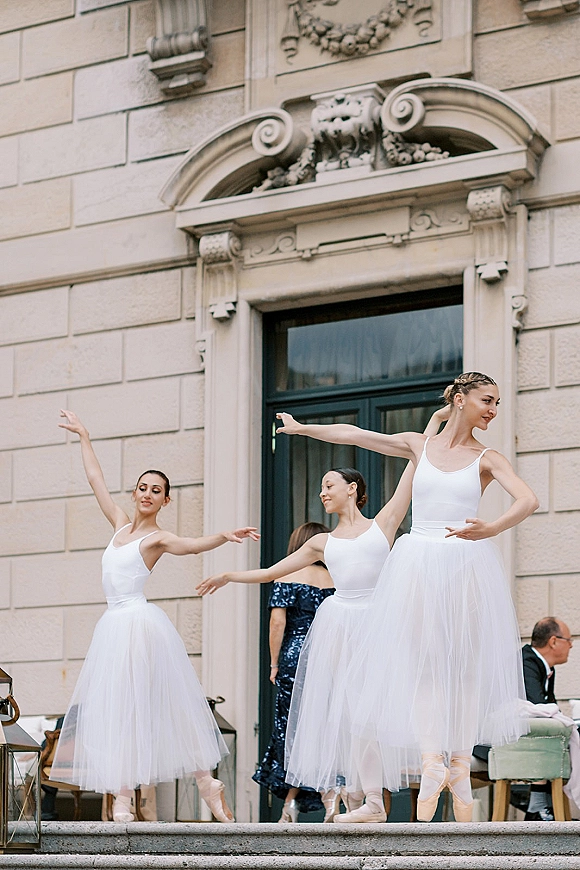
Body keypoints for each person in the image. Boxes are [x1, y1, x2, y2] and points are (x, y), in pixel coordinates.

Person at [275, 372, 539, 823]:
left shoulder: (487, 458)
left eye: (496, 402)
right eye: (486, 400)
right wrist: (304, 430)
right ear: (459, 399)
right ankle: (433, 759)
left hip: (463, 562)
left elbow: (528, 499)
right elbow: (357, 435)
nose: (493, 409)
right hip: (417, 559)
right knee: (422, 663)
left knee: (462, 664)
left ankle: (457, 762)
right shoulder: (420, 446)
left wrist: (489, 528)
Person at [197, 408, 449, 823]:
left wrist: (435, 422)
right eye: (319, 488)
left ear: (352, 489)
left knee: (373, 714)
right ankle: (361, 797)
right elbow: (270, 572)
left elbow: (415, 460)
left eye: (328, 485)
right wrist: (227, 574)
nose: (322, 493)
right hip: (340, 625)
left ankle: (371, 798)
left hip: (377, 625)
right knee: (349, 715)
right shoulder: (321, 544)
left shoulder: (383, 524)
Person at [50, 410, 259, 823]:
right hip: (113, 625)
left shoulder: (157, 537)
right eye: (143, 488)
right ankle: (148, 792)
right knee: (120, 708)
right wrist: (84, 436)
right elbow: (96, 481)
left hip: (137, 626)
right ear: (135, 493)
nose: (147, 494)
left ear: (166, 499)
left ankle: (182, 785)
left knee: (148, 705)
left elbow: (193, 545)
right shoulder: (119, 524)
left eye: (156, 490)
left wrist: (224, 536)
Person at [252, 522, 334, 822]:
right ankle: (331, 798)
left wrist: (274, 663)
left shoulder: (287, 575)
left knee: (291, 728)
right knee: (322, 726)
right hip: (327, 658)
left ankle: (289, 804)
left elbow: (278, 623)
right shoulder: (333, 578)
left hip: (294, 656)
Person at [520, 616, 574, 821]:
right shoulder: (525, 662)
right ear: (553, 641)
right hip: (497, 741)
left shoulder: (545, 666)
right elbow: (537, 707)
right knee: (551, 736)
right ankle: (538, 808)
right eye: (569, 641)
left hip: (528, 736)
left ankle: (544, 807)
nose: (570, 646)